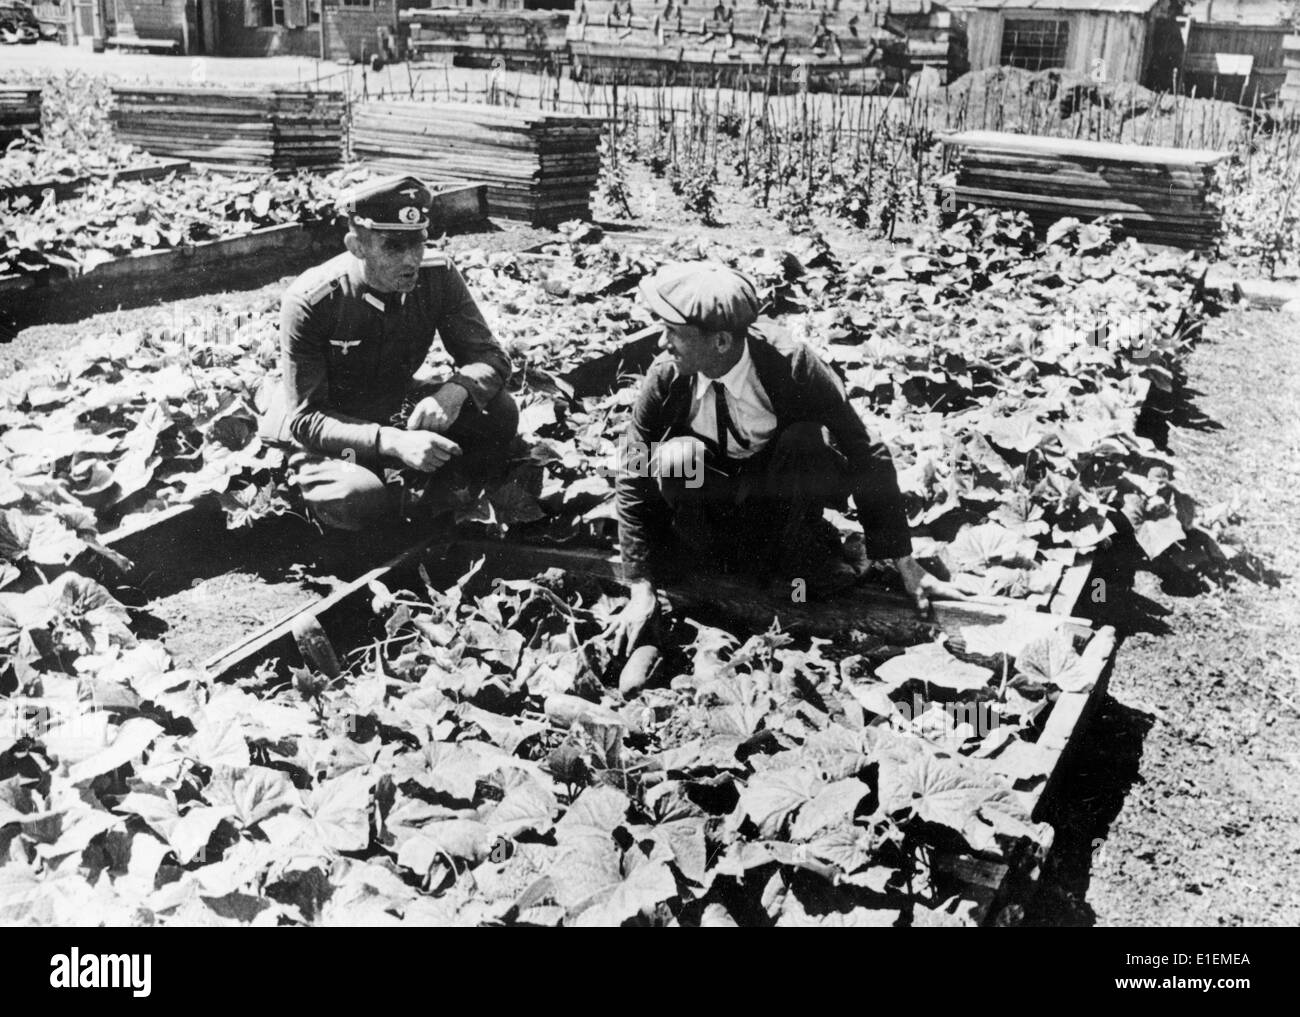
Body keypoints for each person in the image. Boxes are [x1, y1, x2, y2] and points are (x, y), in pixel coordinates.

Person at [609, 261, 963, 654]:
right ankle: (704, 563)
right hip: (709, 510)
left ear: (722, 342)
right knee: (678, 458)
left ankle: (794, 568)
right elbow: (633, 466)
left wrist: (904, 562)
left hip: (778, 508)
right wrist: (639, 583)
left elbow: (865, 449)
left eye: (673, 333)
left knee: (807, 441)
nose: (662, 343)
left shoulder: (792, 366)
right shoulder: (667, 376)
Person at [260, 175, 518, 532]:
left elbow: (491, 357)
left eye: (419, 243)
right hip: (333, 431)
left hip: (394, 406)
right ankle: (318, 502)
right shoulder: (312, 301)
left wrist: (453, 392)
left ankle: (433, 504)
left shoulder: (437, 276)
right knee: (359, 497)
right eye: (394, 247)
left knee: (499, 411)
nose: (412, 259)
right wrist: (393, 442)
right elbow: (306, 419)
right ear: (357, 245)